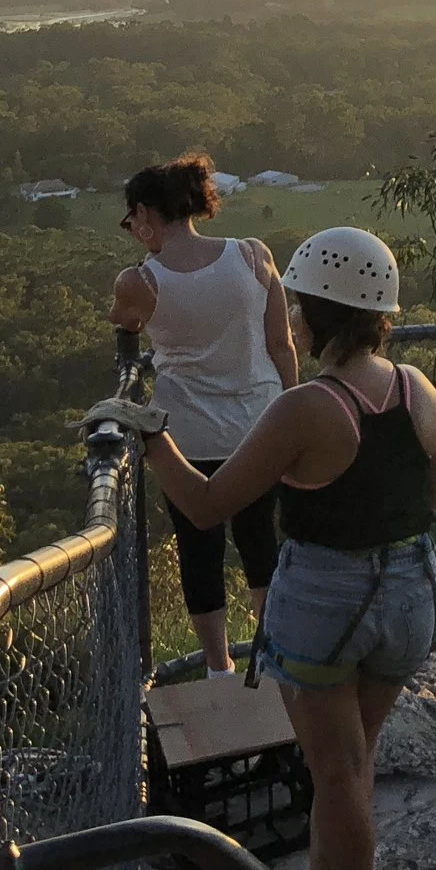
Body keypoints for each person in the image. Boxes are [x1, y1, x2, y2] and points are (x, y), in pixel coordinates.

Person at [88, 227, 436, 870]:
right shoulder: (421, 389)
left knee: (339, 772)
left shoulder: (308, 407)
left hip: (327, 599)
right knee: (346, 769)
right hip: (410, 592)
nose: (287, 316)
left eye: (295, 303)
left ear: (317, 312)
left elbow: (206, 504)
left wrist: (147, 432)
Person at [109, 153, 299, 677]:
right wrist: (295, 413)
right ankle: (271, 653)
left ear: (146, 214)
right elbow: (281, 345)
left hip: (186, 432)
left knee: (200, 548)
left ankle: (218, 668)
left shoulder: (140, 280)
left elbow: (122, 321)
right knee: (262, 540)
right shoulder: (252, 255)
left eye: (132, 221)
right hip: (260, 424)